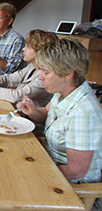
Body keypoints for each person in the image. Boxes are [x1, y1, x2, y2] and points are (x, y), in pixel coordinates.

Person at [19, 38, 102, 202]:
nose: (40, 77)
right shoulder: (63, 92)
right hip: (47, 163)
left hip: (71, 190)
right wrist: (33, 111)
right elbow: (45, 115)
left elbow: (75, 171)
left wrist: (32, 174)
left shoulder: (83, 113)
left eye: (46, 72)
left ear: (67, 74)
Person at [0, 29, 58, 107]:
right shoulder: (32, 66)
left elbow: (16, 96)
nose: (23, 49)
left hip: (27, 119)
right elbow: (9, 79)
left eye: (28, 47)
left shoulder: (45, 76)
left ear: (40, 51)